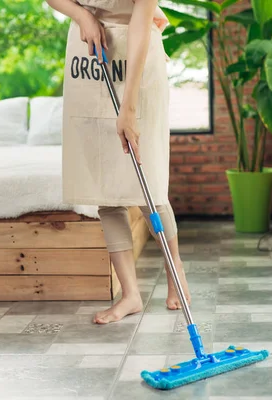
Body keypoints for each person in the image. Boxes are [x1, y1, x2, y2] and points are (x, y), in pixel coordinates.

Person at [45, 0, 190, 324]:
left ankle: (175, 268)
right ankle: (130, 295)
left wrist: (128, 108)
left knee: (148, 184)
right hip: (91, 55)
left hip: (136, 60)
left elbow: (140, 26)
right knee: (104, 183)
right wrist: (81, 14)